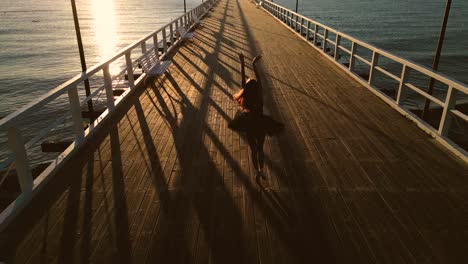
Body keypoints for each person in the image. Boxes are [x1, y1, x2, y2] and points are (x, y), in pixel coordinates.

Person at [228, 53, 284, 179]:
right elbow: (259, 80)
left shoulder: (246, 94)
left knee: (253, 150)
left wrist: (242, 62)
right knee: (260, 149)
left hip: (249, 123)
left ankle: (257, 171)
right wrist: (253, 64)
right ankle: (262, 169)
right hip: (260, 123)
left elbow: (243, 80)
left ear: (246, 88)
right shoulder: (259, 93)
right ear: (256, 87)